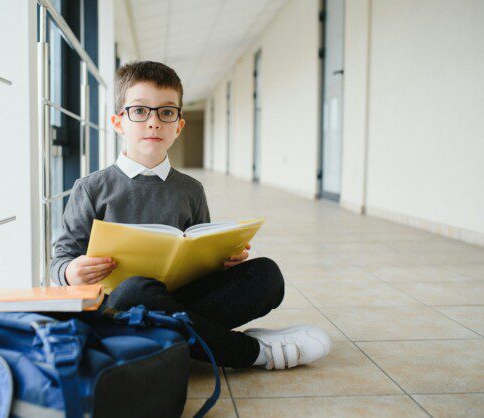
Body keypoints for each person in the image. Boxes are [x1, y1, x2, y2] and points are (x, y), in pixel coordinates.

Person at [50, 61, 332, 370]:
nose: (154, 122)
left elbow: (199, 247)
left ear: (178, 126)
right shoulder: (91, 188)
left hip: (179, 300)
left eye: (166, 112)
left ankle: (177, 334)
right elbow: (61, 259)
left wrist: (222, 262)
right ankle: (253, 351)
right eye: (140, 111)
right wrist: (71, 272)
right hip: (121, 307)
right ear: (119, 122)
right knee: (136, 288)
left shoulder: (190, 189)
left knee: (266, 274)